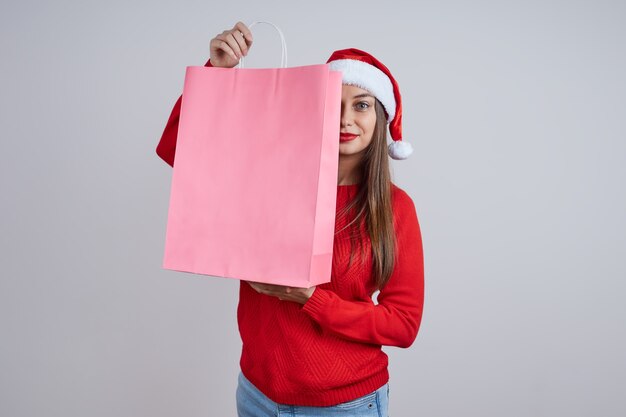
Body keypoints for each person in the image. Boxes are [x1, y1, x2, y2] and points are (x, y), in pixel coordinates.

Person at [156, 21, 424, 417]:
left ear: (380, 117)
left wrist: (313, 301)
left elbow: (402, 324)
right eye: (334, 104)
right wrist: (218, 73)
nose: (346, 119)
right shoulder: (268, 178)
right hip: (257, 394)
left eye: (362, 105)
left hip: (344, 404)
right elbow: (180, 148)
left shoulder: (394, 207)